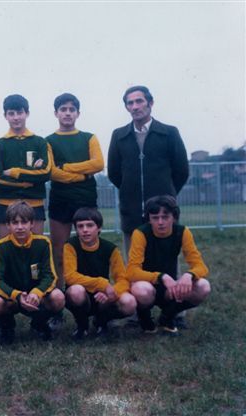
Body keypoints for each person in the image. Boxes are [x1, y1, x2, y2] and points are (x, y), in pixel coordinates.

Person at [107, 86, 189, 256]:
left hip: (163, 212)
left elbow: (181, 171)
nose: (135, 107)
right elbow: (114, 173)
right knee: (134, 262)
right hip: (131, 212)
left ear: (150, 103)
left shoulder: (169, 133)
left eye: (139, 101)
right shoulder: (119, 135)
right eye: (130, 103)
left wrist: (167, 195)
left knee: (166, 261)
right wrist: (130, 190)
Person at [127, 195, 211, 334]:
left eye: (165, 217)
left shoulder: (182, 232)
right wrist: (161, 276)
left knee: (203, 286)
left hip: (170, 288)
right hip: (148, 284)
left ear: (174, 217)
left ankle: (167, 316)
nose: (160, 222)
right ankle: (145, 320)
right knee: (141, 290)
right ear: (149, 219)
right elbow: (132, 271)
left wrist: (189, 275)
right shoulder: (140, 233)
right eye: (155, 218)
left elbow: (201, 266)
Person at [46, 93, 104, 286]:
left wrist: (68, 167)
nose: (67, 113)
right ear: (56, 113)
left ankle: (90, 292)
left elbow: (98, 163)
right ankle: (60, 292)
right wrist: (82, 175)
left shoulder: (89, 138)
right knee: (59, 251)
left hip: (86, 200)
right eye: (63, 109)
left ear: (78, 113)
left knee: (88, 249)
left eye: (72, 109)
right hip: (60, 200)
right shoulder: (48, 141)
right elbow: (52, 171)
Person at [0, 201, 65, 343]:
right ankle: (7, 326)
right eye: (15, 223)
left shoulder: (43, 243)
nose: (20, 227)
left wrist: (37, 292)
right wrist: (16, 295)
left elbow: (51, 276)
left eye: (24, 222)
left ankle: (39, 323)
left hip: (36, 297)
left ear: (32, 224)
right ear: (8, 225)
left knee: (58, 297)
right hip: (13, 297)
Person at [64, 207, 136, 340]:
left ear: (99, 228)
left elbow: (123, 279)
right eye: (80, 226)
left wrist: (112, 292)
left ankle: (102, 322)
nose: (85, 230)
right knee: (76, 291)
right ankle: (82, 325)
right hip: (82, 295)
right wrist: (101, 283)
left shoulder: (110, 248)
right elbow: (70, 276)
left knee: (129, 303)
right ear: (76, 229)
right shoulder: (70, 245)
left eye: (90, 225)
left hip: (102, 297)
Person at [0, 94, 52, 238]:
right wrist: (29, 179)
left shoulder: (40, 142)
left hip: (34, 205)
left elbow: (46, 173)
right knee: (6, 248)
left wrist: (14, 172)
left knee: (36, 248)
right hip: (6, 205)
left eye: (20, 112)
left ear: (27, 113)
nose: (16, 117)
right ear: (5, 116)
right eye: (11, 113)